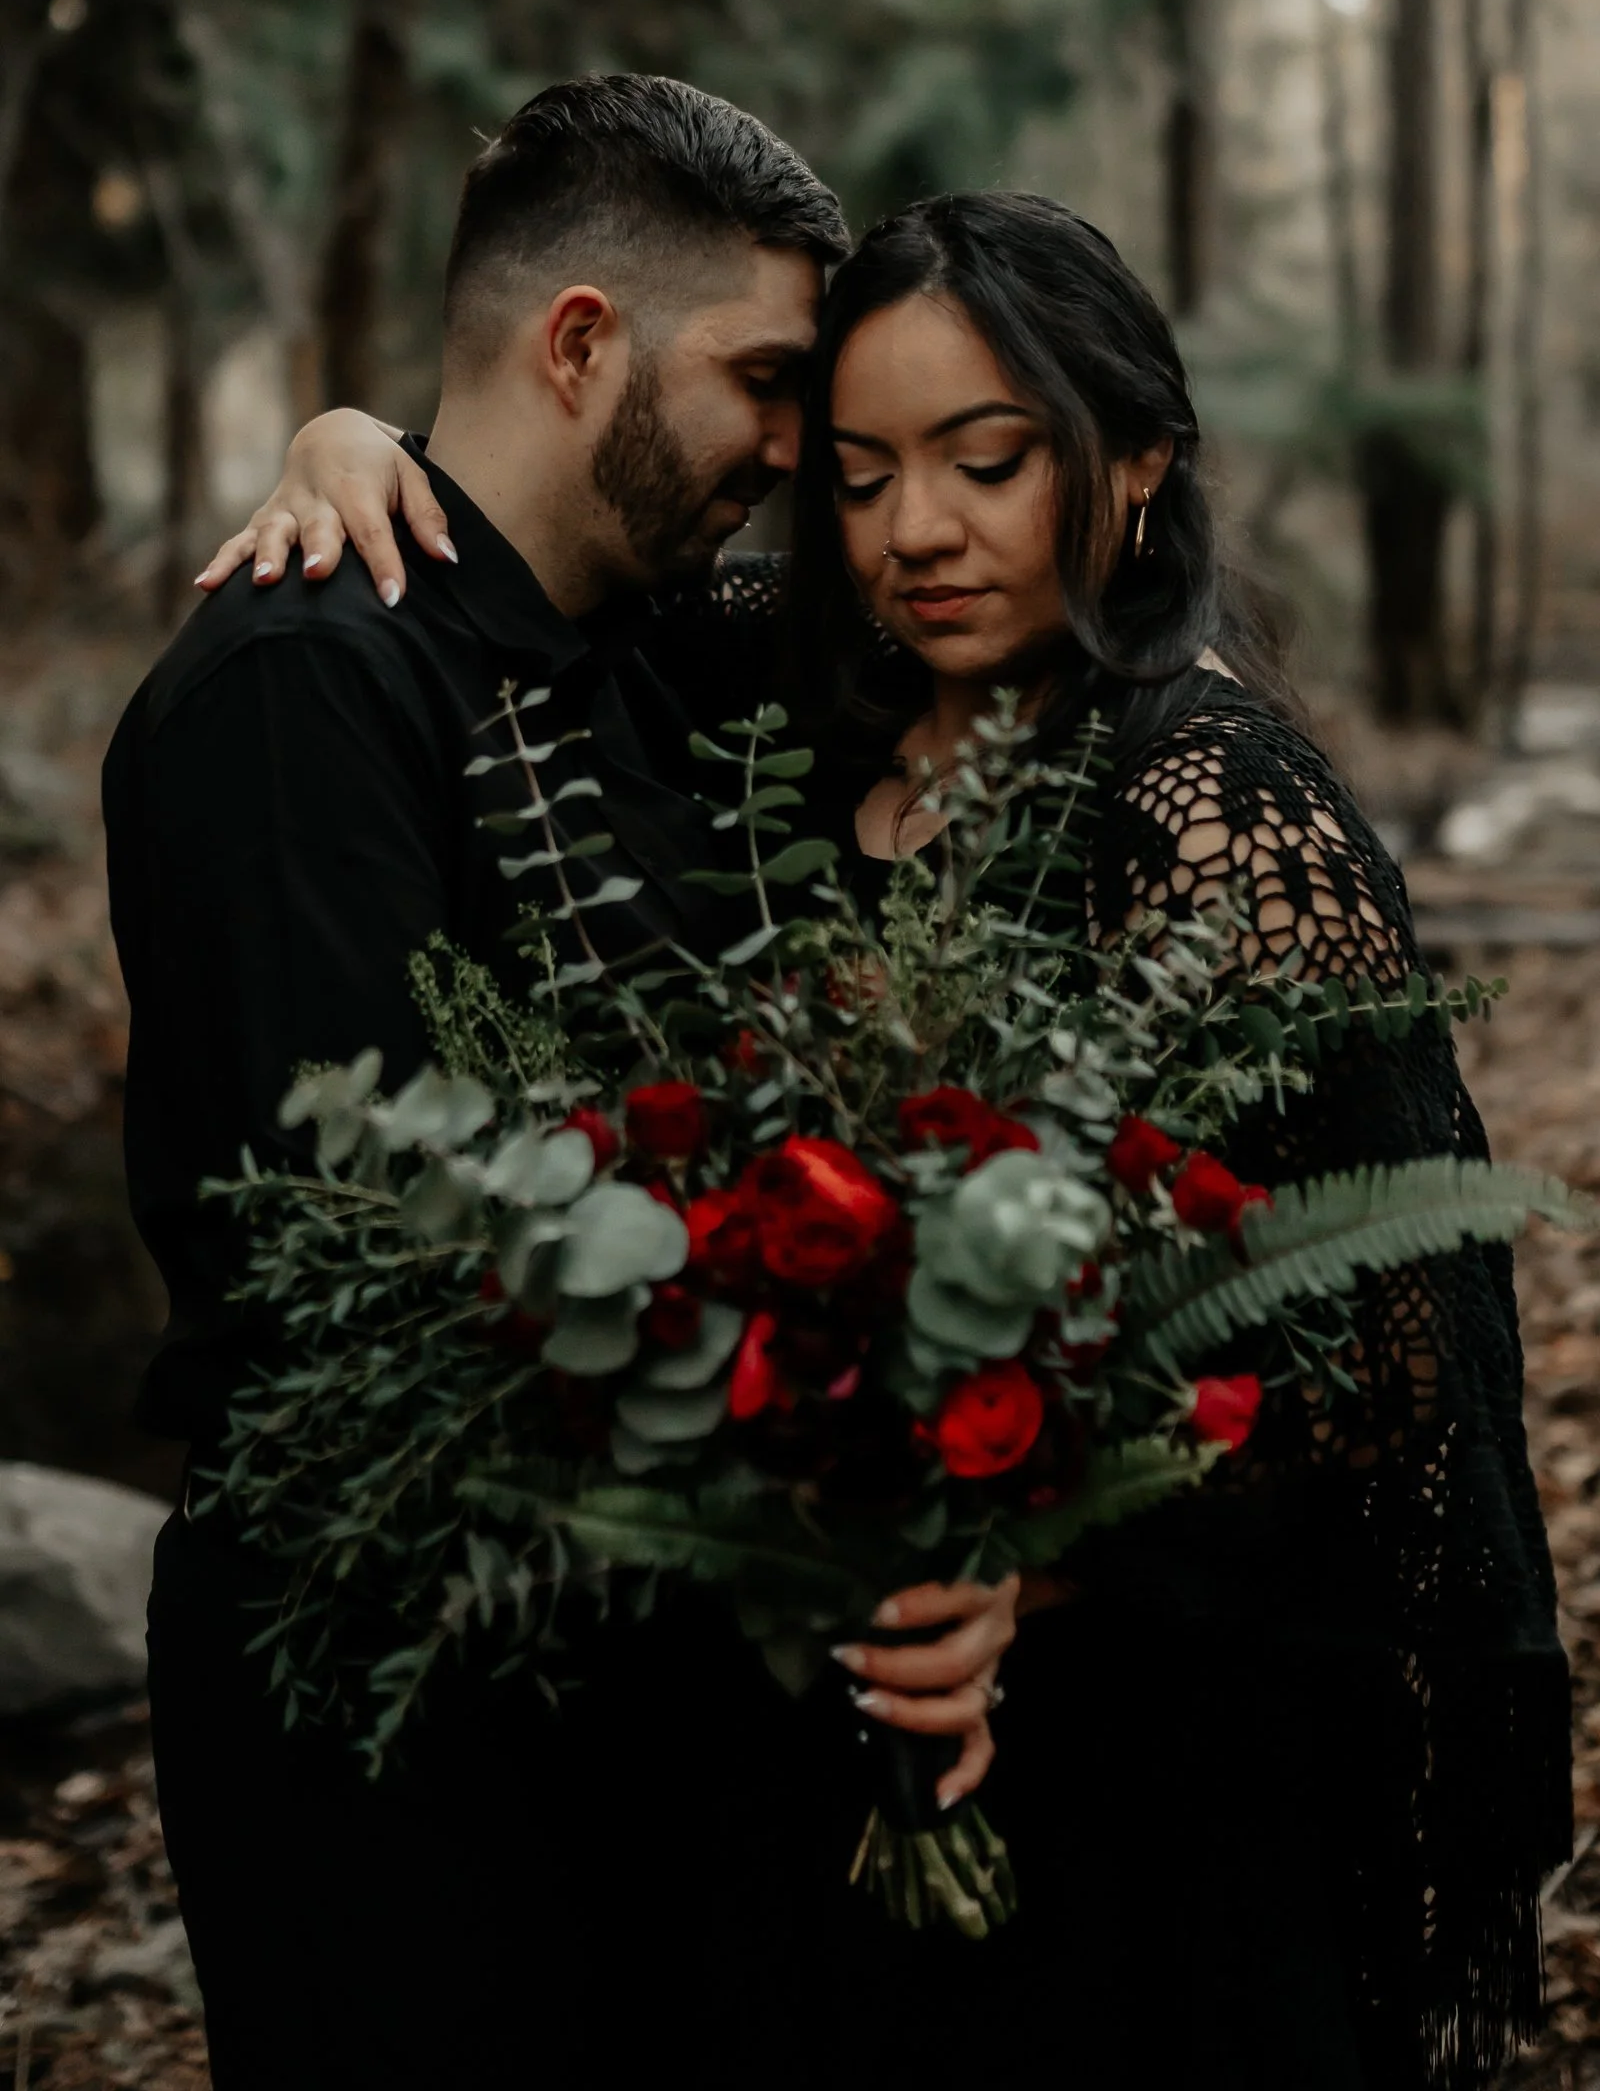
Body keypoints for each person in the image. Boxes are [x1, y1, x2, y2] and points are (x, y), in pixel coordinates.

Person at [217, 186, 1571, 2090]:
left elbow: (1387, 1364)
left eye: (987, 461)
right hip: (791, 1757)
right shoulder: (798, 699)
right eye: (855, 476)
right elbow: (546, 528)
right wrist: (348, 442)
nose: (913, 530)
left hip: (1125, 1785)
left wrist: (1051, 1558)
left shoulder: (1208, 799)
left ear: (1135, 465)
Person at [105, 77, 1020, 2091]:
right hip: (403, 1708)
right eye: (765, 383)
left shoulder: (659, 640)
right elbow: (336, 1268)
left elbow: (992, 602)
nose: (796, 453)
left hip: (666, 1685)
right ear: (583, 339)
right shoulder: (303, 687)